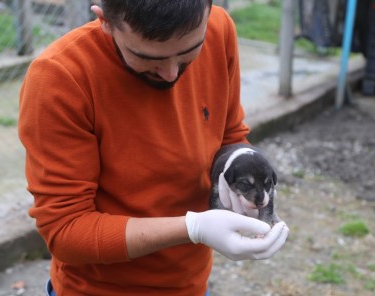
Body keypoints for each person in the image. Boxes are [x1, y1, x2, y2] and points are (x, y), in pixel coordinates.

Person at [18, 0, 289, 295]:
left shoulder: (218, 29)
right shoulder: (60, 78)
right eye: (147, 57)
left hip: (191, 285)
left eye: (188, 53)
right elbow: (66, 230)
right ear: (105, 20)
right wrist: (193, 228)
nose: (171, 74)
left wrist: (243, 173)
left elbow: (229, 133)